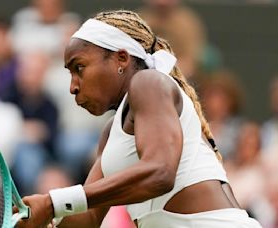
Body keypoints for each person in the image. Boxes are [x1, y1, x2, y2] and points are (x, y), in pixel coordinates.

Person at [16, 10, 262, 228]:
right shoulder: (111, 133)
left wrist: (53, 202)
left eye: (79, 67)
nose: (73, 86)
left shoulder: (149, 83)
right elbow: (88, 218)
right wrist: (41, 219)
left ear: (121, 59)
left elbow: (160, 172)